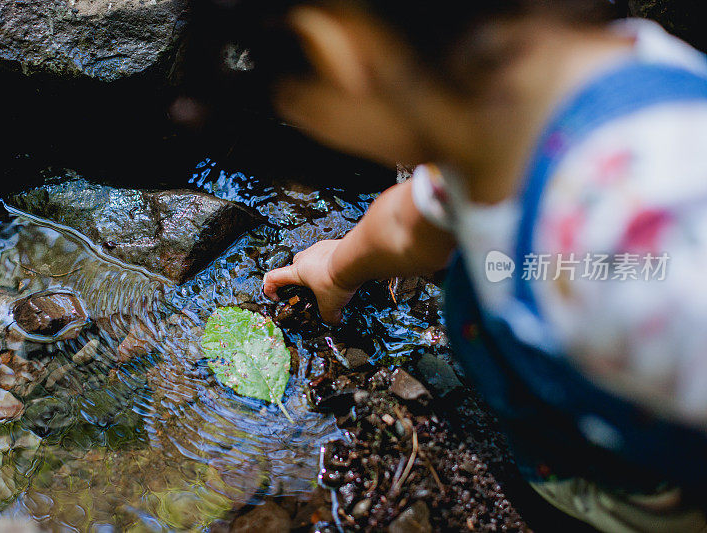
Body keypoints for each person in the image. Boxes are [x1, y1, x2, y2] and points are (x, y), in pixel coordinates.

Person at [259, 1, 707, 531]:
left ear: (337, 50)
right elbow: (412, 220)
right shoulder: (515, 121)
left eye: (291, 94)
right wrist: (335, 269)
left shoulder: (639, 253)